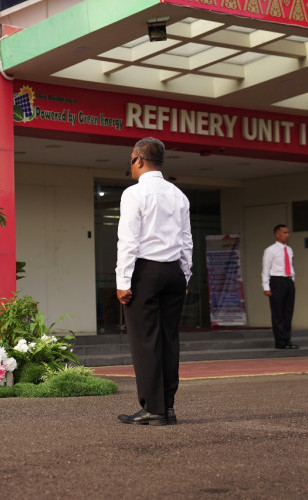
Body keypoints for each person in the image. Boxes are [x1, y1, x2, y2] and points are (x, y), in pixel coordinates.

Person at [115, 137, 193, 426]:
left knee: (146, 340)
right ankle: (168, 407)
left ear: (138, 159)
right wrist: (184, 275)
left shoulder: (134, 194)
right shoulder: (178, 194)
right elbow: (187, 240)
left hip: (145, 272)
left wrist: (123, 280)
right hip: (173, 271)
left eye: (131, 161)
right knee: (169, 339)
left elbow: (128, 241)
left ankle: (153, 408)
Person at [261, 224, 299, 349]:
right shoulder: (270, 250)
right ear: (277, 234)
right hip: (277, 281)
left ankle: (287, 340)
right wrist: (266, 287)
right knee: (278, 312)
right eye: (284, 232)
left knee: (288, 312)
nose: (287, 235)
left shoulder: (289, 249)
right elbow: (265, 269)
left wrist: (292, 280)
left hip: (288, 281)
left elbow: (291, 265)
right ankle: (280, 341)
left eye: (288, 232)